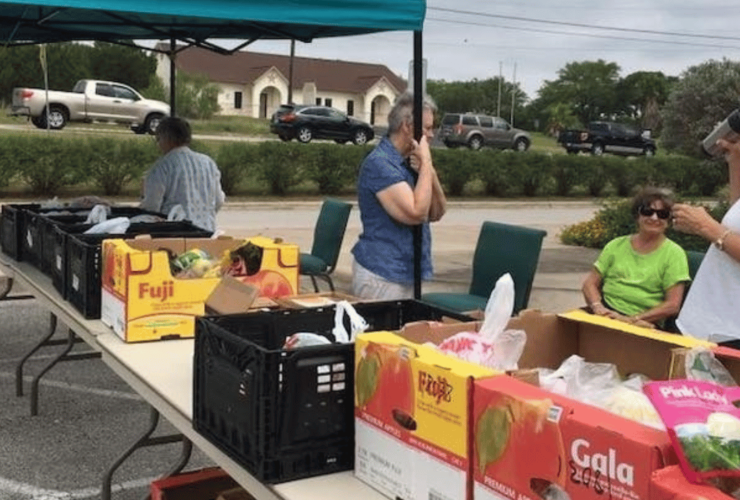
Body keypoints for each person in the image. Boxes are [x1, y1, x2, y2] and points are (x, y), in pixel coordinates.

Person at [350, 92, 447, 300]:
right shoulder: (381, 163)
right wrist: (427, 164)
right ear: (407, 126)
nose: (431, 135)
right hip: (381, 275)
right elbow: (416, 213)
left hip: (408, 273)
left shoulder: (411, 163)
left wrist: (428, 172)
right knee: (383, 333)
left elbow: (437, 212)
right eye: (428, 128)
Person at [582, 187, 689, 326]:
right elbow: (589, 284)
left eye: (662, 214)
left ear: (669, 220)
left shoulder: (674, 254)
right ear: (637, 215)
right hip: (605, 313)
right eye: (647, 212)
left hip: (644, 320)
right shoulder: (615, 245)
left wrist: (632, 320)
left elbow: (672, 305)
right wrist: (598, 307)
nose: (654, 218)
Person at [673, 137, 740, 345]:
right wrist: (735, 159)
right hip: (703, 319)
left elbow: (719, 231)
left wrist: (706, 226)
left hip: (731, 331)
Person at [140, 116, 225, 232]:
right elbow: (219, 200)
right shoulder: (208, 163)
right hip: (207, 231)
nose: (158, 145)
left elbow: (151, 207)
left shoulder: (162, 166)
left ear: (165, 138)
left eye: (158, 139)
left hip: (175, 233)